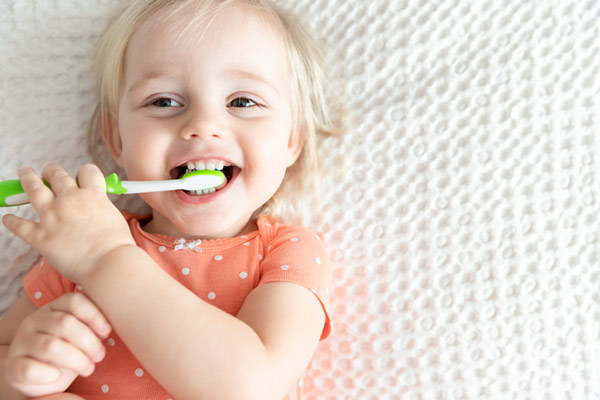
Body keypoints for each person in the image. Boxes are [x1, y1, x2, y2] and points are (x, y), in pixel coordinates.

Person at [0, 0, 345, 398]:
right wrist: (18, 374)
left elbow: (249, 387)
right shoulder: (82, 238)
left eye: (242, 102)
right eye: (163, 101)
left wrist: (105, 260)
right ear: (117, 138)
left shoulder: (288, 253)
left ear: (292, 139)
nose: (203, 126)